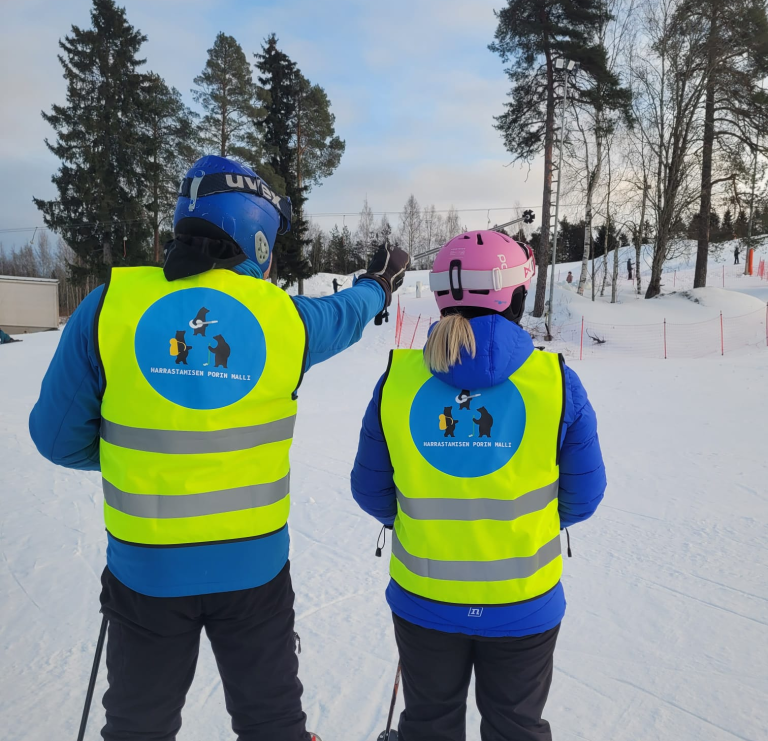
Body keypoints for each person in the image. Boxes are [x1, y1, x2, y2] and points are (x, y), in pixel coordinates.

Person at [29, 154, 409, 741]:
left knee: (138, 727)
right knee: (272, 724)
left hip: (146, 573)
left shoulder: (111, 304)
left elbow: (55, 439)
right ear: (256, 234)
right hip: (254, 575)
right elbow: (347, 312)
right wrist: (377, 283)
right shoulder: (286, 319)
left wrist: (139, 456)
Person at [351, 230, 606, 741]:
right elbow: (585, 493)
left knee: (429, 726)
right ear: (515, 294)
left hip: (425, 601)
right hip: (524, 603)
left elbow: (370, 487)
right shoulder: (555, 380)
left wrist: (414, 519)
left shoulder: (398, 380)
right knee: (516, 728)